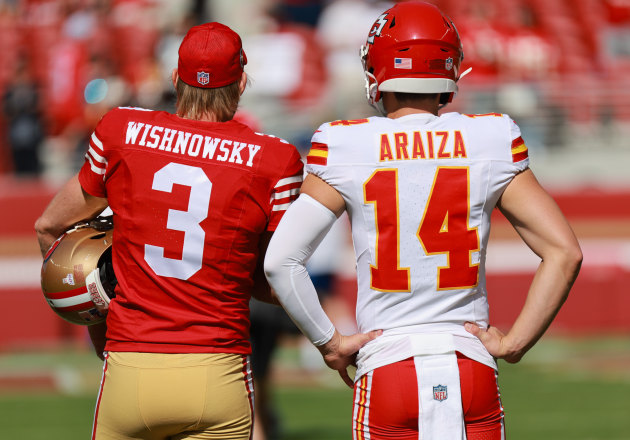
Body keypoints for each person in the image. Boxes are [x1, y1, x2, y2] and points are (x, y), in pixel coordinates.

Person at [264, 2, 583, 439]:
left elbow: (280, 262)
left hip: (387, 367)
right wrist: (513, 343)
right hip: (469, 365)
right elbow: (564, 252)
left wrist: (331, 343)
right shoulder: (489, 137)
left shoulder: (344, 144)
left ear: (378, 71)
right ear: (450, 69)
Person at [35, 22, 304, 440]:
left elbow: (51, 228)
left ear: (175, 79)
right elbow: (274, 279)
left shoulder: (120, 131)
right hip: (218, 371)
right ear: (243, 82)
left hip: (130, 368)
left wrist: (97, 321)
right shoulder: (276, 159)